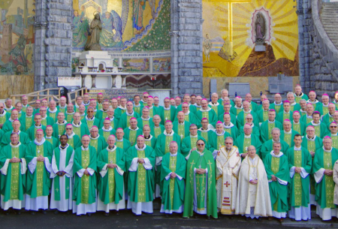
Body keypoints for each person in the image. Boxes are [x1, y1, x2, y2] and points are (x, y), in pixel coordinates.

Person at [183, 139, 217, 219]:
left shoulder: (208, 153)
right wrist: (195, 170)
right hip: (195, 178)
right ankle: (196, 211)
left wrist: (206, 170)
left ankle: (207, 212)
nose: (200, 146)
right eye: (198, 144)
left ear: (205, 144)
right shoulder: (193, 153)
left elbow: (212, 166)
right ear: (196, 145)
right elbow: (189, 166)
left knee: (206, 195)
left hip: (206, 179)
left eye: (202, 144)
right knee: (195, 194)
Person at [235, 145, 272, 219]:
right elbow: (243, 171)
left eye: (253, 150)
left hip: (257, 183)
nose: (252, 151)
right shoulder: (245, 161)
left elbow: (262, 171)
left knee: (257, 198)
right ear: (247, 152)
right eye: (250, 150)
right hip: (248, 182)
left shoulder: (259, 160)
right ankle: (248, 214)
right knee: (248, 198)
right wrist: (250, 179)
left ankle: (257, 215)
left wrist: (258, 179)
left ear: (255, 151)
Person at [25, 129, 53, 214]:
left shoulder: (48, 144)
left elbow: (51, 155)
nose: (39, 136)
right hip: (34, 170)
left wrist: (45, 158)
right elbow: (27, 155)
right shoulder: (30, 145)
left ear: (43, 134)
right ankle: (33, 208)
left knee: (43, 187)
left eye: (40, 134)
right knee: (33, 187)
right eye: (37, 134)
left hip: (44, 170)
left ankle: (43, 207)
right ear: (35, 135)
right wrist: (36, 158)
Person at [126, 135, 155, 215]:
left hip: (146, 174)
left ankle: (147, 209)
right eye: (138, 141)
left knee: (146, 189)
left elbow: (153, 158)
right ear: (136, 141)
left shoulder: (149, 149)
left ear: (144, 141)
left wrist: (145, 160)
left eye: (141, 141)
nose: (140, 142)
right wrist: (136, 160)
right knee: (135, 189)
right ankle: (136, 209)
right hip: (135, 174)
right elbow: (127, 159)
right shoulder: (131, 149)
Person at [97, 135, 126, 215]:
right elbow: (99, 162)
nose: (111, 142)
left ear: (115, 141)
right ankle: (107, 209)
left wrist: (116, 165)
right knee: (107, 190)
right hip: (106, 174)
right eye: (109, 140)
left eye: (112, 140)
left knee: (116, 190)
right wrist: (106, 165)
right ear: (107, 141)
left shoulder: (120, 151)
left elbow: (123, 161)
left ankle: (117, 209)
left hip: (117, 174)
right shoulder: (102, 152)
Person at [287, 134, 312, 221]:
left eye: (299, 139)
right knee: (294, 194)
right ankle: (294, 216)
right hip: (293, 176)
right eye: (296, 139)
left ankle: (304, 216)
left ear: (301, 141)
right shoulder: (289, 151)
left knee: (304, 194)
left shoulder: (305, 151)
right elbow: (286, 162)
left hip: (303, 176)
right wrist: (294, 168)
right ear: (293, 140)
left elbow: (309, 163)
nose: (297, 141)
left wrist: (301, 169)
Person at [0, 133, 27, 213]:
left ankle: (17, 207)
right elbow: (1, 158)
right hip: (8, 173)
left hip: (19, 173)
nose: (14, 139)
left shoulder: (24, 147)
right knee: (7, 187)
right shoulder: (5, 148)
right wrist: (9, 160)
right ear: (10, 138)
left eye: (15, 137)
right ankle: (6, 207)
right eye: (12, 138)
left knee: (19, 187)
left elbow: (27, 157)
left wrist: (21, 160)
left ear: (18, 138)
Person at [313, 136, 338, 220]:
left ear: (331, 143)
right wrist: (323, 171)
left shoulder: (336, 151)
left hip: (334, 178)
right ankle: (325, 216)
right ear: (323, 143)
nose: (327, 144)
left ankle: (335, 215)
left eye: (329, 142)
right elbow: (315, 164)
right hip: (323, 178)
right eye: (325, 142)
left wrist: (334, 171)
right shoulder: (318, 152)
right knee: (324, 195)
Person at [264, 142, 289, 222]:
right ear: (272, 147)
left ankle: (280, 215)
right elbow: (266, 166)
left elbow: (284, 168)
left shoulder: (284, 157)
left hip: (280, 181)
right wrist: (271, 175)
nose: (276, 148)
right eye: (275, 146)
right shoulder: (268, 156)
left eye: (278, 146)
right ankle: (271, 214)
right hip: (271, 180)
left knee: (280, 196)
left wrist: (276, 176)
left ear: (280, 147)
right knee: (271, 196)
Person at [73, 135, 97, 216]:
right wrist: (83, 170)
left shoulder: (93, 149)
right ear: (81, 141)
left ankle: (89, 210)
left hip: (89, 175)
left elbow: (94, 161)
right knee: (80, 190)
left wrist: (89, 170)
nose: (85, 142)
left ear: (89, 141)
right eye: (84, 140)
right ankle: (80, 210)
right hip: (80, 174)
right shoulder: (77, 150)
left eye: (87, 140)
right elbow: (75, 161)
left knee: (89, 191)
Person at [216, 137, 241, 215]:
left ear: (232, 143)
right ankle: (220, 208)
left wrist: (233, 171)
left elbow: (238, 162)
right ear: (224, 143)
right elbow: (217, 161)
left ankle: (232, 209)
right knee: (220, 191)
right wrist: (222, 171)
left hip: (232, 175)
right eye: (227, 143)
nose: (228, 145)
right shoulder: (221, 150)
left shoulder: (236, 151)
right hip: (222, 175)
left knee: (233, 191)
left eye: (230, 143)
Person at [50, 135, 74, 213]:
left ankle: (66, 208)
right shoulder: (56, 150)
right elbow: (53, 161)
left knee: (66, 191)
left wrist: (65, 171)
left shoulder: (71, 149)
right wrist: (56, 171)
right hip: (57, 173)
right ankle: (57, 207)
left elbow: (71, 162)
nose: (63, 140)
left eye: (65, 139)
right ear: (60, 140)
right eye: (62, 139)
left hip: (66, 174)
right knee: (57, 190)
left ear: (67, 140)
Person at [160, 141, 186, 215]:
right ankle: (168, 210)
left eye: (174, 147)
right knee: (168, 193)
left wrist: (176, 174)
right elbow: (163, 165)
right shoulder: (165, 156)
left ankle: (178, 210)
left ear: (177, 148)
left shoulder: (181, 157)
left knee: (178, 193)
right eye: (171, 147)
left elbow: (183, 166)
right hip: (168, 178)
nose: (173, 148)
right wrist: (170, 173)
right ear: (169, 148)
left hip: (177, 179)